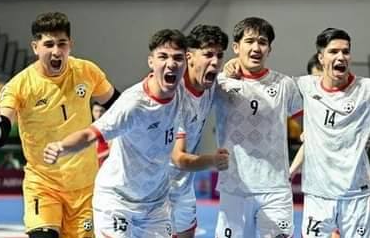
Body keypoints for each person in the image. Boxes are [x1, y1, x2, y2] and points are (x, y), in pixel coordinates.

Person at [0, 12, 120, 238]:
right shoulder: (19, 86)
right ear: (35, 47)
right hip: (43, 185)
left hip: (86, 189)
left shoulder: (87, 71)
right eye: (49, 44)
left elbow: (118, 105)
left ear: (70, 45)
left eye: (62, 44)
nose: (56, 51)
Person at [43, 29, 189, 238]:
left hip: (155, 204)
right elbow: (89, 135)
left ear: (186, 62)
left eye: (177, 58)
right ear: (151, 62)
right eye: (163, 57)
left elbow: (208, 74)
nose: (171, 64)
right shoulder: (133, 105)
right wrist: (61, 147)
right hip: (117, 200)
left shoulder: (182, 90)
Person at [294, 28, 370, 238]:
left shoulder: (367, 89)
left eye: (346, 51)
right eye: (334, 51)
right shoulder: (305, 86)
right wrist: (236, 68)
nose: (341, 57)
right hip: (318, 195)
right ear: (321, 57)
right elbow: (267, 89)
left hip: (355, 194)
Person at [214, 17, 303, 238]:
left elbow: (309, 128)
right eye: (249, 41)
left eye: (262, 42)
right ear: (236, 47)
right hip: (234, 187)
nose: (256, 47)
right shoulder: (220, 84)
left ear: (269, 49)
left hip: (275, 190)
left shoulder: (284, 85)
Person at [169, 25, 231, 238]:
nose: (215, 61)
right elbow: (178, 157)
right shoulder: (173, 95)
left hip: (183, 185)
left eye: (219, 55)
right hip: (154, 188)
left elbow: (234, 71)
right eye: (208, 54)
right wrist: (212, 161)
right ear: (189, 57)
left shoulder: (211, 84)